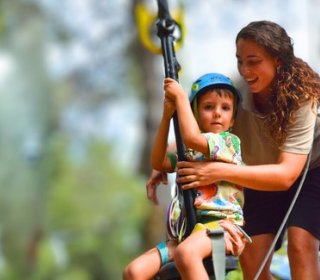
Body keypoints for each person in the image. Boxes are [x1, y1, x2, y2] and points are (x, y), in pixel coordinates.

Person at [148, 21, 319, 280]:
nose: (245, 70)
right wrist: (169, 157)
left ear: (278, 61)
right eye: (240, 61)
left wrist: (217, 170)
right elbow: (209, 131)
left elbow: (286, 175)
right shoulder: (237, 92)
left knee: (300, 244)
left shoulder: (303, 99)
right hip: (256, 171)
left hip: (310, 173)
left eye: (253, 61)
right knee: (252, 261)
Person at [123, 73, 251, 280]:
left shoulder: (229, 143)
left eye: (225, 108)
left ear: (233, 118)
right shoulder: (188, 151)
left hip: (222, 228)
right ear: (195, 114)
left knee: (186, 254)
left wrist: (181, 98)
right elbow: (159, 162)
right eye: (209, 107)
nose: (217, 113)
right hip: (185, 234)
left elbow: (191, 137)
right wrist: (167, 117)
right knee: (134, 272)